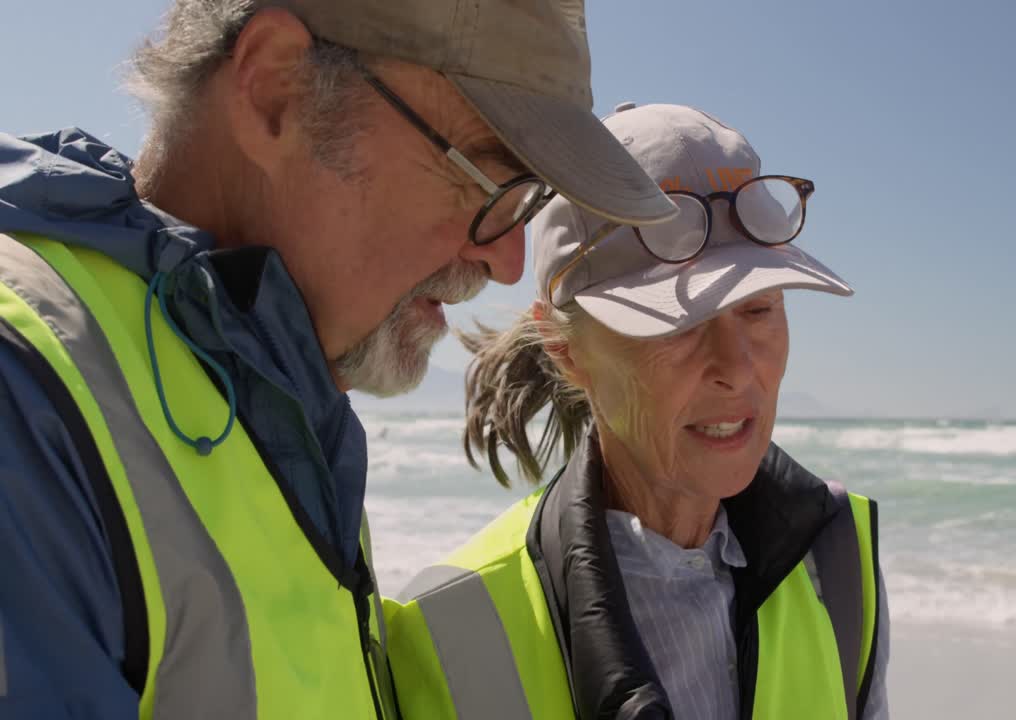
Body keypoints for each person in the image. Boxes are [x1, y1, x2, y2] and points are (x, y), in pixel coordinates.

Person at [0, 0, 676, 716]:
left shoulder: (282, 394)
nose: (507, 260)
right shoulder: (26, 393)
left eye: (530, 201)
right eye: (487, 181)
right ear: (275, 89)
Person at [386, 102, 890, 719]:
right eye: (679, 325)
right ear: (566, 350)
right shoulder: (451, 629)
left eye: (759, 309)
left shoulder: (839, 565)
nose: (735, 367)